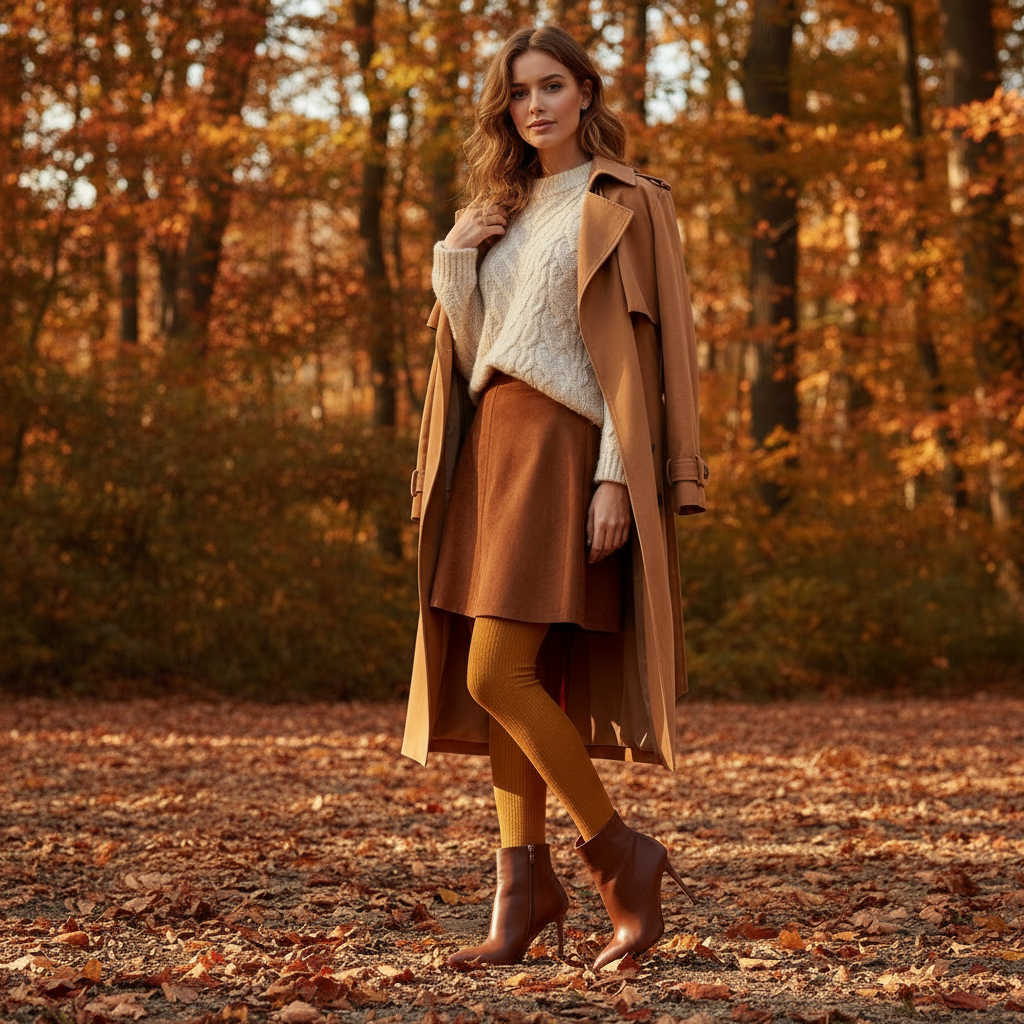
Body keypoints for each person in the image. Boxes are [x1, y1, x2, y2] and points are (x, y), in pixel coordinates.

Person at [402, 25, 708, 970]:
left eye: (551, 86)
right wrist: (456, 260)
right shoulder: (499, 208)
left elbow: (639, 354)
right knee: (504, 681)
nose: (534, 106)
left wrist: (619, 472)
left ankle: (621, 856)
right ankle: (522, 890)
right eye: (518, 94)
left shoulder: (626, 200)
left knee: (499, 672)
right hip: (491, 442)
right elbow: (477, 348)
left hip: (564, 445)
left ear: (585, 91)